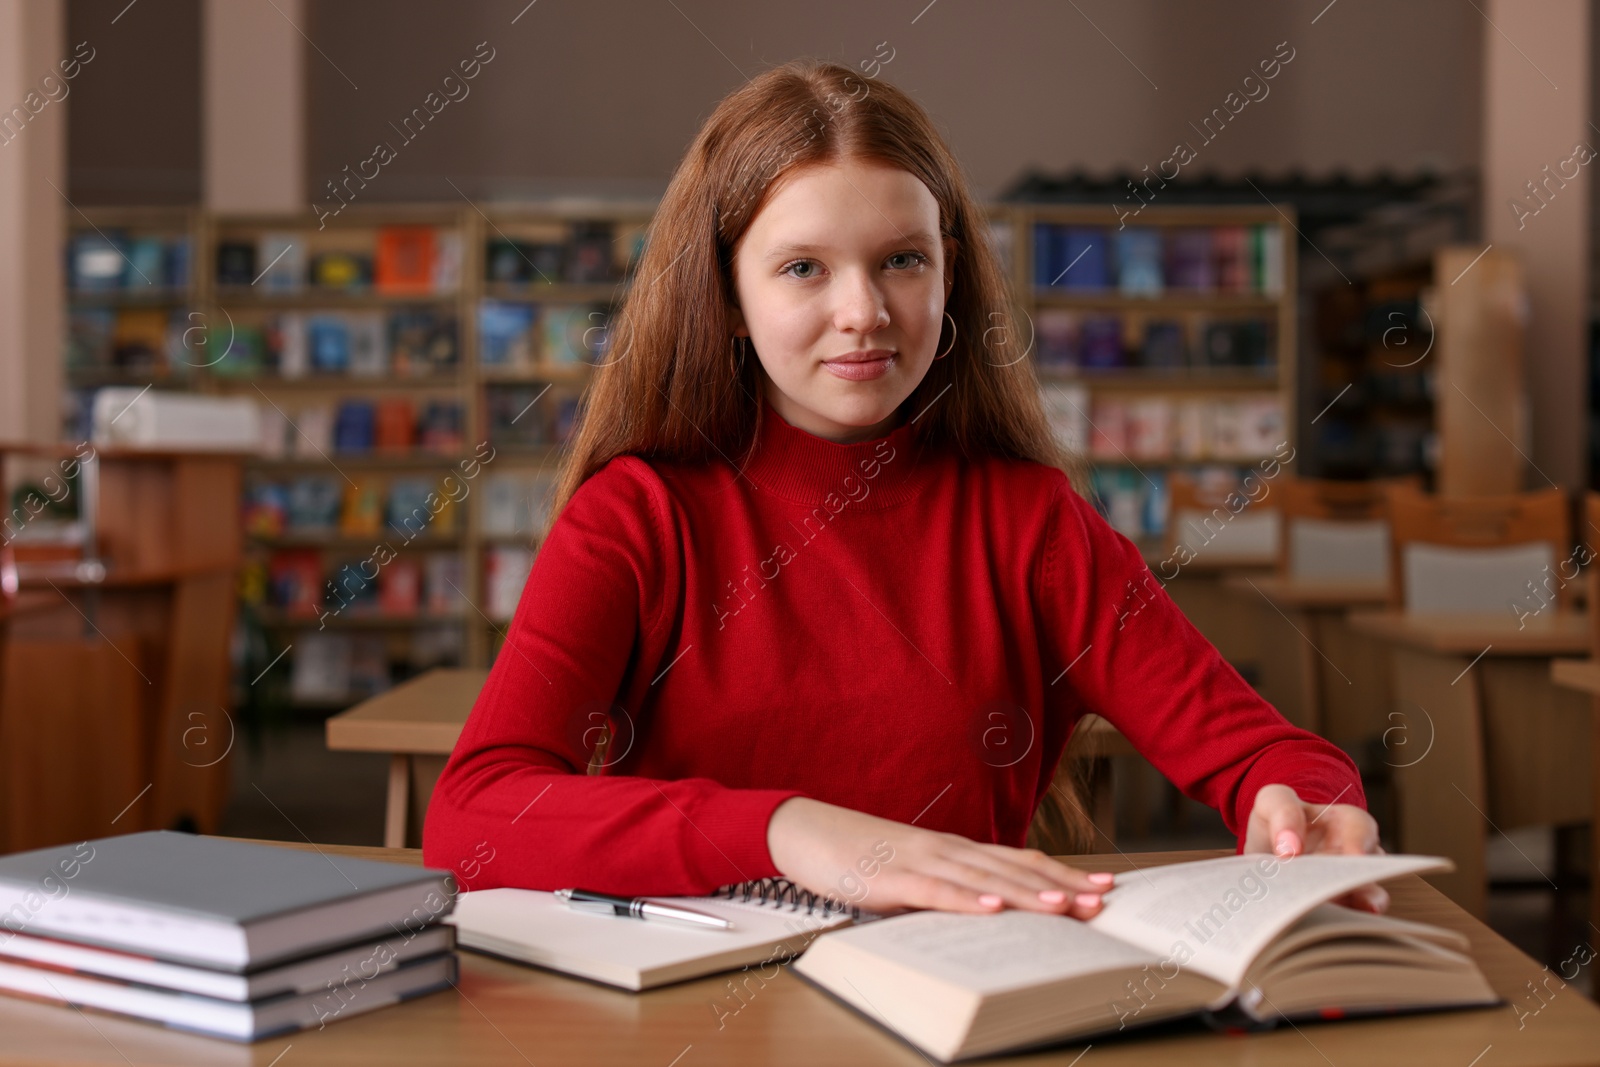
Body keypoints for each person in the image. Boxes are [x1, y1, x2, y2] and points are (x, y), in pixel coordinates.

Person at [422, 58, 1387, 920]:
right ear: (727, 298)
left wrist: (1304, 800)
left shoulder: (1032, 522)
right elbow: (472, 818)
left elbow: (1265, 752)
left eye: (903, 261)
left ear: (949, 272)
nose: (865, 313)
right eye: (804, 267)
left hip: (963, 1010)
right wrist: (788, 832)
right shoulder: (638, 516)